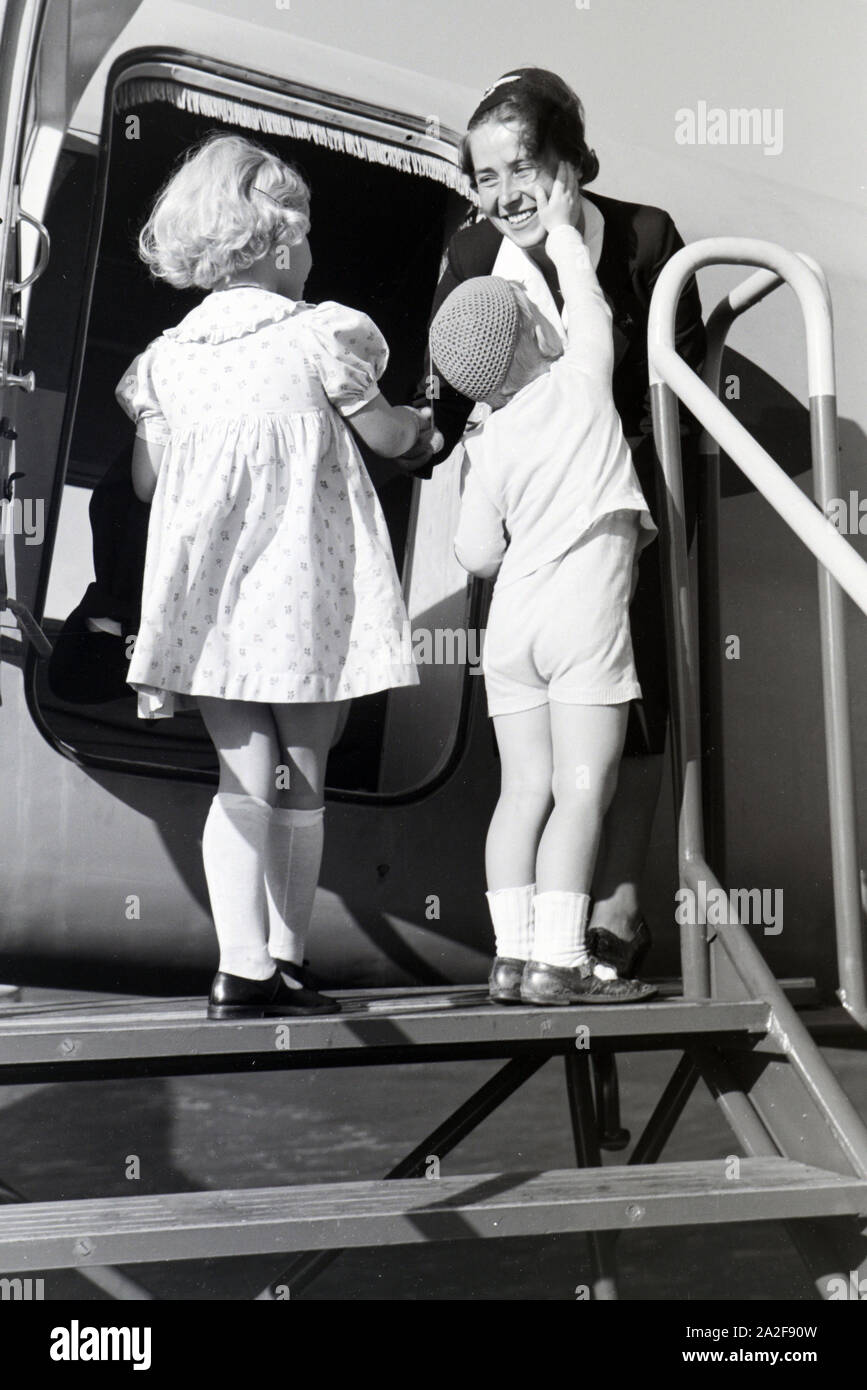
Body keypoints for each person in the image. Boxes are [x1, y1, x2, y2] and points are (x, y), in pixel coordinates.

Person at [116, 134, 439, 1020]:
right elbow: (390, 440)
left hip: (213, 609)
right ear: (279, 243)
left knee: (242, 779)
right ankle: (287, 962)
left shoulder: (165, 363)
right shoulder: (322, 336)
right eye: (306, 238)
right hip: (301, 595)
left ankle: (240, 967)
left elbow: (149, 485)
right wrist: (428, 427)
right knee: (305, 775)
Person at [410, 68, 706, 979]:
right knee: (548, 752)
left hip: (627, 500)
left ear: (572, 162)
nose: (502, 196)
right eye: (483, 176)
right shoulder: (469, 254)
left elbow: (682, 396)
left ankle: (614, 907)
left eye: (521, 169)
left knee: (639, 708)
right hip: (534, 512)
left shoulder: (648, 238)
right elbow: (447, 391)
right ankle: (544, 941)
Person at [432, 164, 657, 1005]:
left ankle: (508, 957)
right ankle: (560, 961)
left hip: (512, 625)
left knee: (520, 792)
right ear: (536, 331)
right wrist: (562, 230)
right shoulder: (582, 382)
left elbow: (475, 554)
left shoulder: (485, 437)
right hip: (581, 618)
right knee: (582, 789)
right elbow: (589, 302)